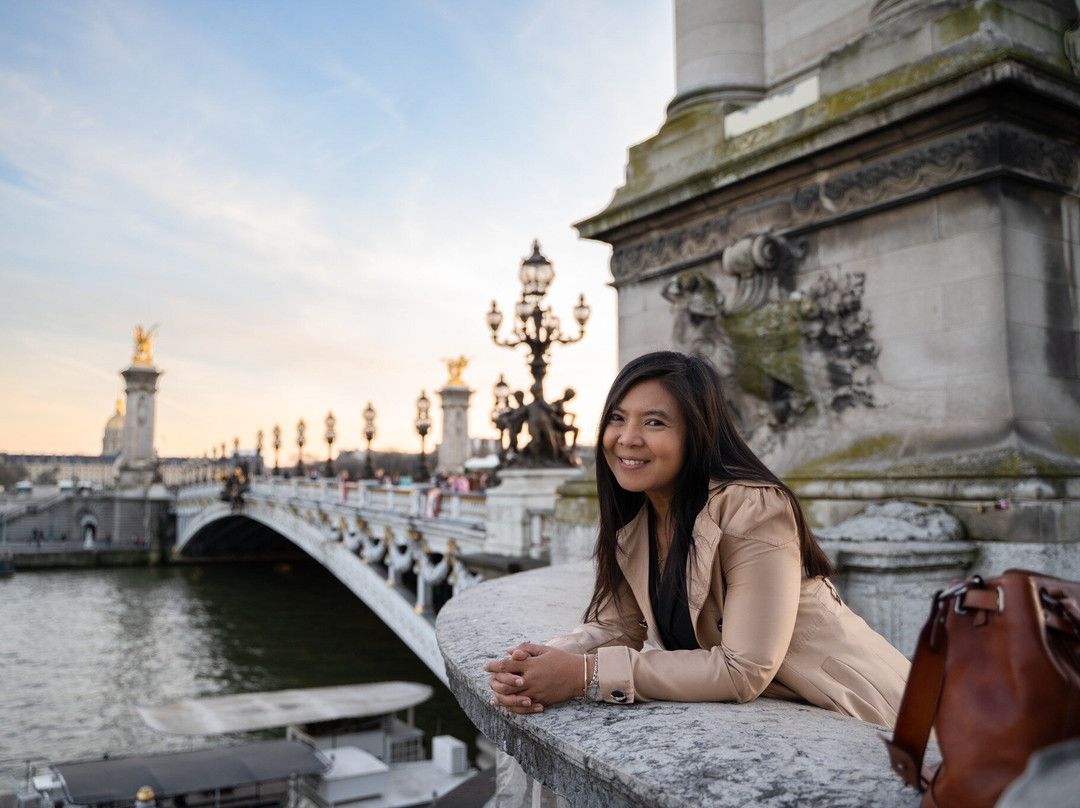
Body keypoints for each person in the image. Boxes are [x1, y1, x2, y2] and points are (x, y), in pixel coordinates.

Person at [485, 351, 910, 727]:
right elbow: (614, 625)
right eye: (617, 417)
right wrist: (532, 665)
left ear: (697, 433)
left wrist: (584, 675)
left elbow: (743, 670)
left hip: (867, 716)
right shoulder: (637, 516)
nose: (626, 438)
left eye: (654, 422)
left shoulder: (753, 508)